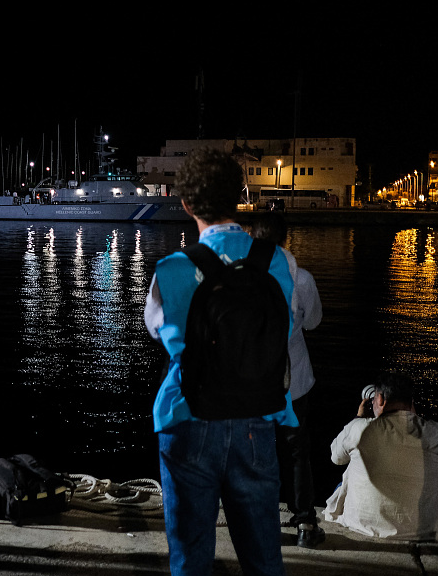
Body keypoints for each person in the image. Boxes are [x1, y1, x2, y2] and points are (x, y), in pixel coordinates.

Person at [144, 149, 298, 576]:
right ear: (239, 197)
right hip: (258, 417)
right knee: (264, 555)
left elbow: (158, 330)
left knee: (191, 556)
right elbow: (285, 327)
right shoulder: (279, 261)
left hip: (189, 415)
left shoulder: (171, 268)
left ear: (187, 204)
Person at [252, 212, 325, 548]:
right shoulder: (303, 280)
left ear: (252, 236)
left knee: (258, 451)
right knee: (298, 451)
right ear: (285, 239)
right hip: (294, 379)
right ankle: (304, 519)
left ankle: (261, 519)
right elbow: (313, 322)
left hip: (253, 383)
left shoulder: (241, 279)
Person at [323, 373, 438, 541]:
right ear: (411, 402)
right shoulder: (437, 432)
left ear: (379, 400)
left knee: (350, 470)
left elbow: (336, 458)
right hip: (425, 530)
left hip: (364, 524)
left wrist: (358, 419)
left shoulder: (359, 428)